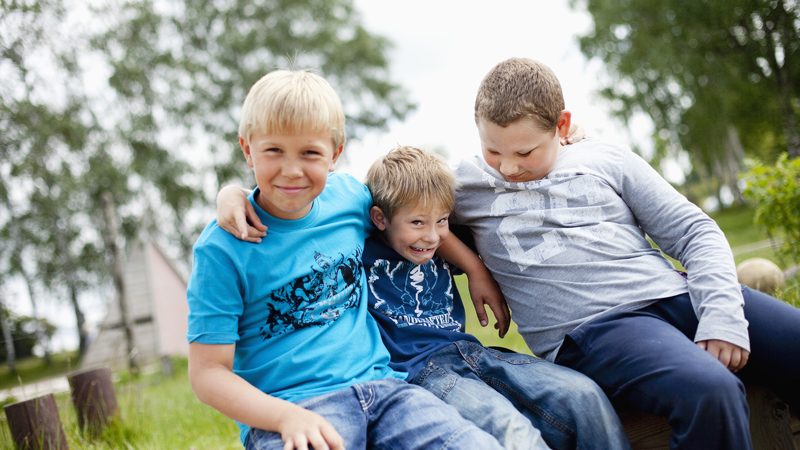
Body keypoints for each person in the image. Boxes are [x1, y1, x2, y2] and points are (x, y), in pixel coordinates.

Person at [451, 57, 800, 449]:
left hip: (674, 294)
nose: (508, 167)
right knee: (711, 390)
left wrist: (720, 315)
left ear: (562, 126)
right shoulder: (464, 185)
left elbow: (695, 231)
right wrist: (473, 267)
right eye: (493, 151)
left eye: (526, 152)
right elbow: (397, 208)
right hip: (595, 330)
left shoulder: (604, 156)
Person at [186, 69, 504, 450]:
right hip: (292, 410)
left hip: (386, 392)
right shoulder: (222, 249)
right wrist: (285, 417)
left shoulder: (350, 200)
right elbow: (207, 374)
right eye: (273, 151)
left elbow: (415, 214)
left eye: (310, 153)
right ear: (246, 148)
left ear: (335, 154)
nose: (291, 169)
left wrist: (473, 268)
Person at [360, 145, 630, 450]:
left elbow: (441, 228)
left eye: (442, 221)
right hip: (418, 372)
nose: (432, 236)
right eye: (418, 223)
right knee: (511, 430)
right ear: (380, 218)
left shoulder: (435, 244)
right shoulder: (359, 250)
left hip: (471, 352)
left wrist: (475, 268)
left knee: (583, 395)